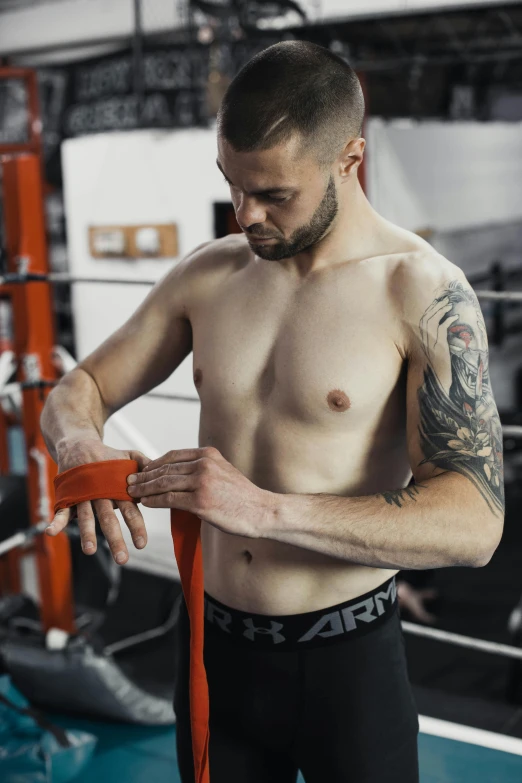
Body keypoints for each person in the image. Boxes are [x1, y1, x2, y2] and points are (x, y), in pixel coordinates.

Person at [41, 41, 504, 783]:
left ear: (349, 159)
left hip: (346, 664)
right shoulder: (210, 274)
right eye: (233, 185)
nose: (245, 214)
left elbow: (474, 523)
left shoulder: (419, 292)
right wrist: (76, 446)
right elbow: (80, 387)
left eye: (274, 195)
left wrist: (264, 509)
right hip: (214, 652)